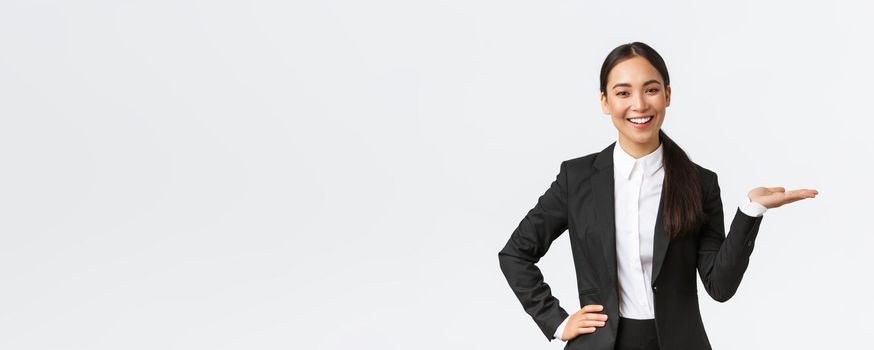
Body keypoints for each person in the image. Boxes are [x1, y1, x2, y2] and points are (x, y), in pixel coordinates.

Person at [497, 42, 818, 350]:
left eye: (650, 90)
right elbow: (515, 254)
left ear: (667, 95)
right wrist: (556, 321)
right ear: (605, 101)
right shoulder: (576, 178)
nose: (638, 104)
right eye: (623, 92)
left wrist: (751, 210)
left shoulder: (699, 183)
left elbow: (719, 286)